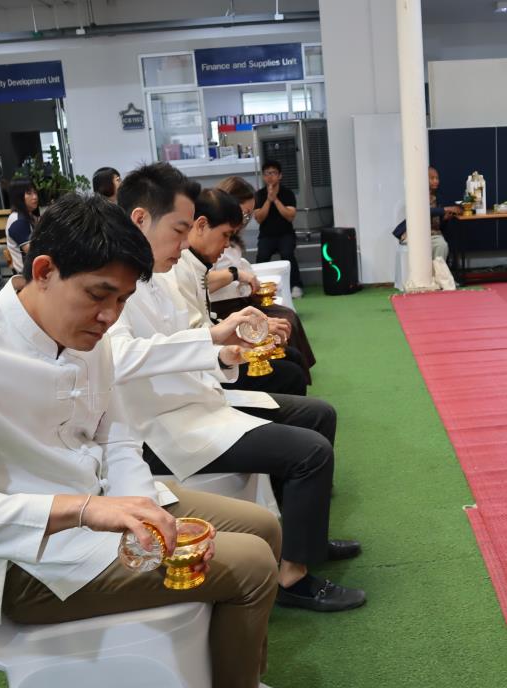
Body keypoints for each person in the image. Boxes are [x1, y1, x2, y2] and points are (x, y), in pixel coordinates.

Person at [0, 194, 328, 688]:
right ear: (44, 270)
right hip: (31, 562)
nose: (109, 317)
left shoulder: (88, 335)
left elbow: (118, 434)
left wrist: (138, 509)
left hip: (107, 510)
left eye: (122, 301)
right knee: (253, 564)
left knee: (263, 527)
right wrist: (85, 509)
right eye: (99, 296)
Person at [114, 169, 366, 613]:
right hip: (164, 428)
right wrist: (214, 338)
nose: (184, 243)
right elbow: (121, 357)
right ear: (139, 219)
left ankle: (305, 541)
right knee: (310, 452)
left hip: (199, 404)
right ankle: (292, 577)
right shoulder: (115, 284)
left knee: (318, 414)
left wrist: (228, 354)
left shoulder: (154, 277)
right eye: (179, 230)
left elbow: (182, 344)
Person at [172, 188, 310, 395]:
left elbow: (206, 326)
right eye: (225, 235)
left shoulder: (193, 263)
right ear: (200, 225)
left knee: (290, 356)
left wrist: (247, 332)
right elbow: (194, 337)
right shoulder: (176, 267)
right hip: (204, 367)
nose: (227, 243)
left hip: (213, 352)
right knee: (291, 374)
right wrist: (243, 334)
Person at [215, 175, 317, 381]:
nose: (245, 221)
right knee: (284, 322)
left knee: (287, 318)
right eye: (244, 214)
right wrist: (238, 274)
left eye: (248, 216)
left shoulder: (229, 238)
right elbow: (207, 279)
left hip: (240, 303)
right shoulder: (203, 247)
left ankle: (289, 362)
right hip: (226, 310)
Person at [253, 160, 302, 297]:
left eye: (274, 173)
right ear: (263, 176)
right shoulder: (259, 195)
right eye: (267, 173)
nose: (270, 176)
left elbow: (290, 216)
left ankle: (295, 285)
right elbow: (259, 218)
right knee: (262, 257)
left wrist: (275, 199)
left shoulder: (288, 193)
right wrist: (268, 200)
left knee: (287, 254)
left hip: (285, 234)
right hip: (266, 235)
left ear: (280, 175)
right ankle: (259, 288)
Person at [392, 166, 461, 262]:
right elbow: (424, 211)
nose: (436, 181)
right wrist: (445, 209)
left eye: (437, 178)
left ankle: (437, 271)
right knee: (418, 249)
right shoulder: (416, 196)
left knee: (442, 245)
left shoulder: (438, 197)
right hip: (416, 233)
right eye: (432, 178)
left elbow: (437, 223)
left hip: (433, 234)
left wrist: (444, 219)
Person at [5, 178, 40, 274]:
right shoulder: (18, 221)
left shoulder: (29, 216)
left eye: (35, 192)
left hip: (35, 270)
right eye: (29, 193)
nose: (35, 197)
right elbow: (33, 252)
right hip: (28, 275)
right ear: (18, 197)